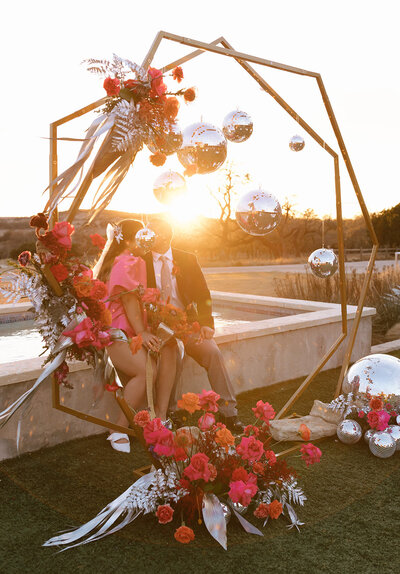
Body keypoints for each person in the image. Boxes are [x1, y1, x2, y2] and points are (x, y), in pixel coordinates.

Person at [144, 217, 244, 433]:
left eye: (164, 231)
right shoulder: (140, 261)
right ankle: (169, 413)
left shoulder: (187, 259)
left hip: (188, 325)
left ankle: (229, 412)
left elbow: (202, 293)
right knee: (174, 356)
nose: (160, 236)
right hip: (157, 328)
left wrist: (207, 323)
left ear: (170, 233)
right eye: (155, 232)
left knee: (213, 353)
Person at [95, 219, 177, 453]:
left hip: (125, 328)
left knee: (169, 346)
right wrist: (142, 331)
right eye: (142, 236)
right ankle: (117, 428)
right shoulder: (128, 261)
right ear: (131, 239)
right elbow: (129, 300)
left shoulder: (119, 260)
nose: (146, 241)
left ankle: (158, 417)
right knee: (145, 370)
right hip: (118, 331)